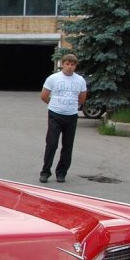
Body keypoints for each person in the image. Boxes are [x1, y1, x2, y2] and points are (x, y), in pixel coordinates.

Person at [39, 54, 87, 183]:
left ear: (75, 66)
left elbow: (82, 98)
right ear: (63, 64)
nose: (69, 67)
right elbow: (44, 96)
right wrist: (55, 104)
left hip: (71, 116)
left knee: (67, 146)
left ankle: (61, 173)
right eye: (67, 64)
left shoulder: (80, 80)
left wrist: (71, 105)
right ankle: (45, 172)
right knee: (51, 144)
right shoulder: (53, 78)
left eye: (72, 64)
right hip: (55, 115)